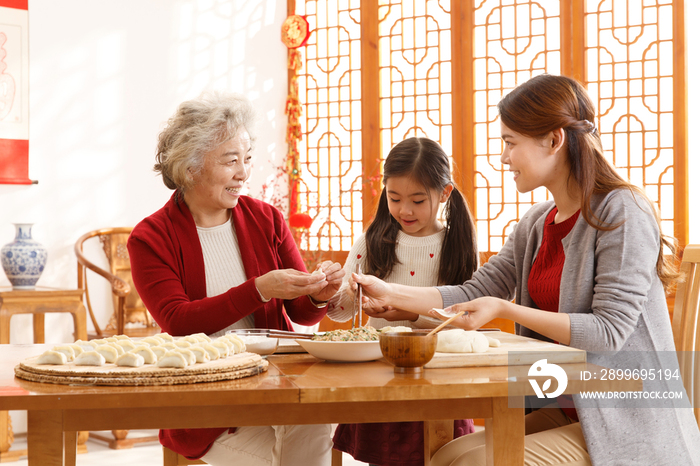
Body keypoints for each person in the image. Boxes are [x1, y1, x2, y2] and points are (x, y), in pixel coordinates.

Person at [347, 75, 700, 465]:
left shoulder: (622, 211)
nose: (503, 157)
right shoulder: (536, 222)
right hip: (572, 406)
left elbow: (609, 332)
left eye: (510, 142)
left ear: (553, 140)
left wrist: (506, 310)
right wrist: (388, 293)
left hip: (629, 415)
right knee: (447, 454)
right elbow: (474, 291)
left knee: (469, 463)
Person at [127, 91, 344, 466]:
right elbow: (178, 321)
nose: (244, 173)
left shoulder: (267, 219)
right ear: (191, 167)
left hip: (275, 384)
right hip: (207, 404)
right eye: (231, 161)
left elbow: (302, 316)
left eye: (247, 159)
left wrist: (319, 295)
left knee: (313, 419)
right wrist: (258, 290)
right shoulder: (151, 237)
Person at [326, 137, 478, 466]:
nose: (404, 210)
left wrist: (408, 314)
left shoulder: (457, 243)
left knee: (442, 457)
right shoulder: (373, 240)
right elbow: (341, 314)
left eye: (418, 200)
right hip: (379, 375)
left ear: (445, 193)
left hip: (438, 377)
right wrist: (333, 293)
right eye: (394, 198)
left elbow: (464, 317)